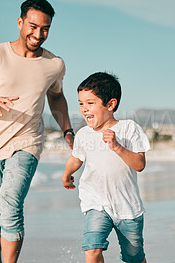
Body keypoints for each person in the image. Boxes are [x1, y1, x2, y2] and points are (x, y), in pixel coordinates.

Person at [0, 0, 74, 262]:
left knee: (10, 204)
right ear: (20, 22)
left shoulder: (54, 64)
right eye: (33, 26)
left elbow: (56, 97)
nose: (38, 34)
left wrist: (67, 129)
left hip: (27, 143)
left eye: (45, 29)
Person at [62, 72, 150, 263]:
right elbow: (76, 158)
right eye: (81, 103)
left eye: (90, 103)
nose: (84, 109)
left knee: (134, 257)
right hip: (97, 203)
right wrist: (67, 174)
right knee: (92, 249)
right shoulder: (84, 134)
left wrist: (117, 147)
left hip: (127, 207)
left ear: (110, 104)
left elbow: (139, 164)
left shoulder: (129, 128)